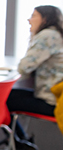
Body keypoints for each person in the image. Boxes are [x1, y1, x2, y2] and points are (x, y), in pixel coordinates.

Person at [6, 5, 63, 146]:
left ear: (45, 19)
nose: (29, 19)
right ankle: (23, 142)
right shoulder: (57, 34)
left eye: (33, 15)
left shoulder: (47, 36)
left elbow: (24, 67)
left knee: (3, 98)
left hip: (51, 101)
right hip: (56, 97)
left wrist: (33, 37)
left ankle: (21, 144)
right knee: (10, 95)